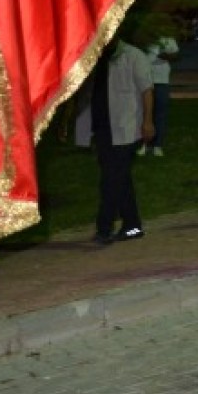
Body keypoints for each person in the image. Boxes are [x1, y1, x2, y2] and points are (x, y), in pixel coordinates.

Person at [75, 34, 155, 244]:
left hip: (126, 130)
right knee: (120, 180)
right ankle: (132, 226)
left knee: (111, 181)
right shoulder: (94, 57)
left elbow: (147, 91)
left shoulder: (133, 56)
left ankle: (104, 228)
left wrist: (148, 122)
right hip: (102, 130)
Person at [140, 29, 180, 157]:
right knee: (144, 113)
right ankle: (144, 144)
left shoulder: (168, 39)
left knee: (160, 114)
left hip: (161, 81)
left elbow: (175, 55)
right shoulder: (144, 39)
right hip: (145, 80)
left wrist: (164, 55)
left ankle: (157, 145)